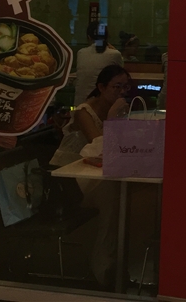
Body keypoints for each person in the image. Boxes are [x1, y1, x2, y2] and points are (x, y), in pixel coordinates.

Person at [49, 64, 131, 287]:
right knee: (111, 194)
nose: (122, 92)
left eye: (125, 87)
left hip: (92, 173)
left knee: (117, 193)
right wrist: (113, 118)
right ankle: (103, 263)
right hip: (66, 179)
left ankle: (112, 258)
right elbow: (98, 147)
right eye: (117, 86)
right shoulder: (84, 111)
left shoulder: (119, 108)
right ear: (101, 88)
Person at [74, 22, 123, 107]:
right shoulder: (115, 54)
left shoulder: (81, 53)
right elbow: (122, 76)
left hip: (79, 106)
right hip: (104, 107)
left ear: (89, 37)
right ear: (107, 37)